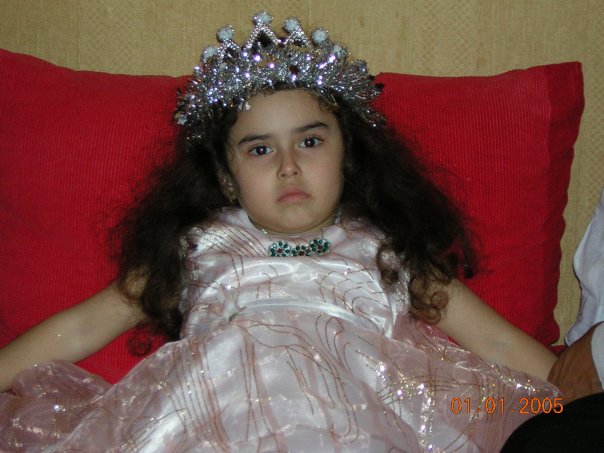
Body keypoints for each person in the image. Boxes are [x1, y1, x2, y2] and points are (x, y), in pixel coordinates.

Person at [0, 12, 559, 452]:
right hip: (214, 419)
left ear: (347, 156)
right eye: (260, 150)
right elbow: (81, 327)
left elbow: (496, 342)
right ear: (226, 176)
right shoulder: (198, 247)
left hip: (361, 418)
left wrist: (576, 394)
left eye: (310, 142)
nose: (289, 166)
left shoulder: (389, 250)